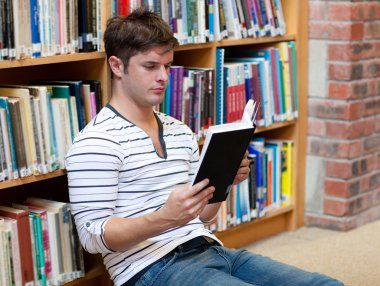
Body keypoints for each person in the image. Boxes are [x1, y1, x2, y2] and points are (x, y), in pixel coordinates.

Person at [66, 7, 344, 286]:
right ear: (117, 66)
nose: (163, 76)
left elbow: (203, 216)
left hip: (210, 249)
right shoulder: (96, 142)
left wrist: (224, 181)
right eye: (150, 66)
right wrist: (164, 218)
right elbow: (93, 237)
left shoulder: (179, 130)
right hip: (150, 269)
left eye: (167, 66)